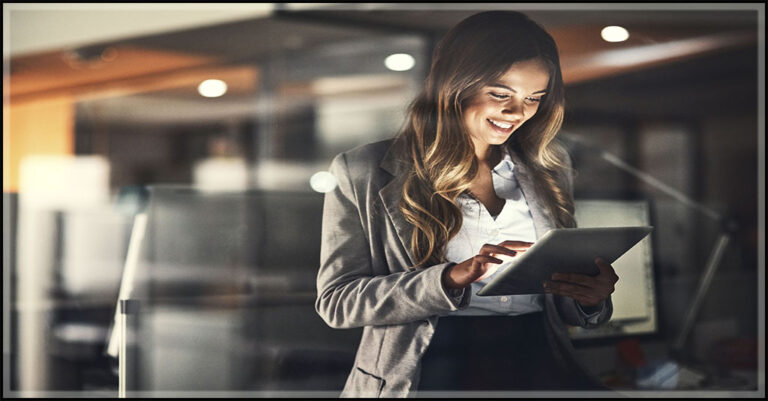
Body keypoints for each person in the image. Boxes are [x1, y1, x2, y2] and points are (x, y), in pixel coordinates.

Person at [315, 11, 618, 397]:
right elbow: (337, 302)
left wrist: (590, 299)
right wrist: (447, 279)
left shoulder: (550, 170)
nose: (517, 112)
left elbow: (562, 308)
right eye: (500, 94)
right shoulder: (363, 171)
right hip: (429, 372)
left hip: (535, 364)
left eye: (533, 99)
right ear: (456, 84)